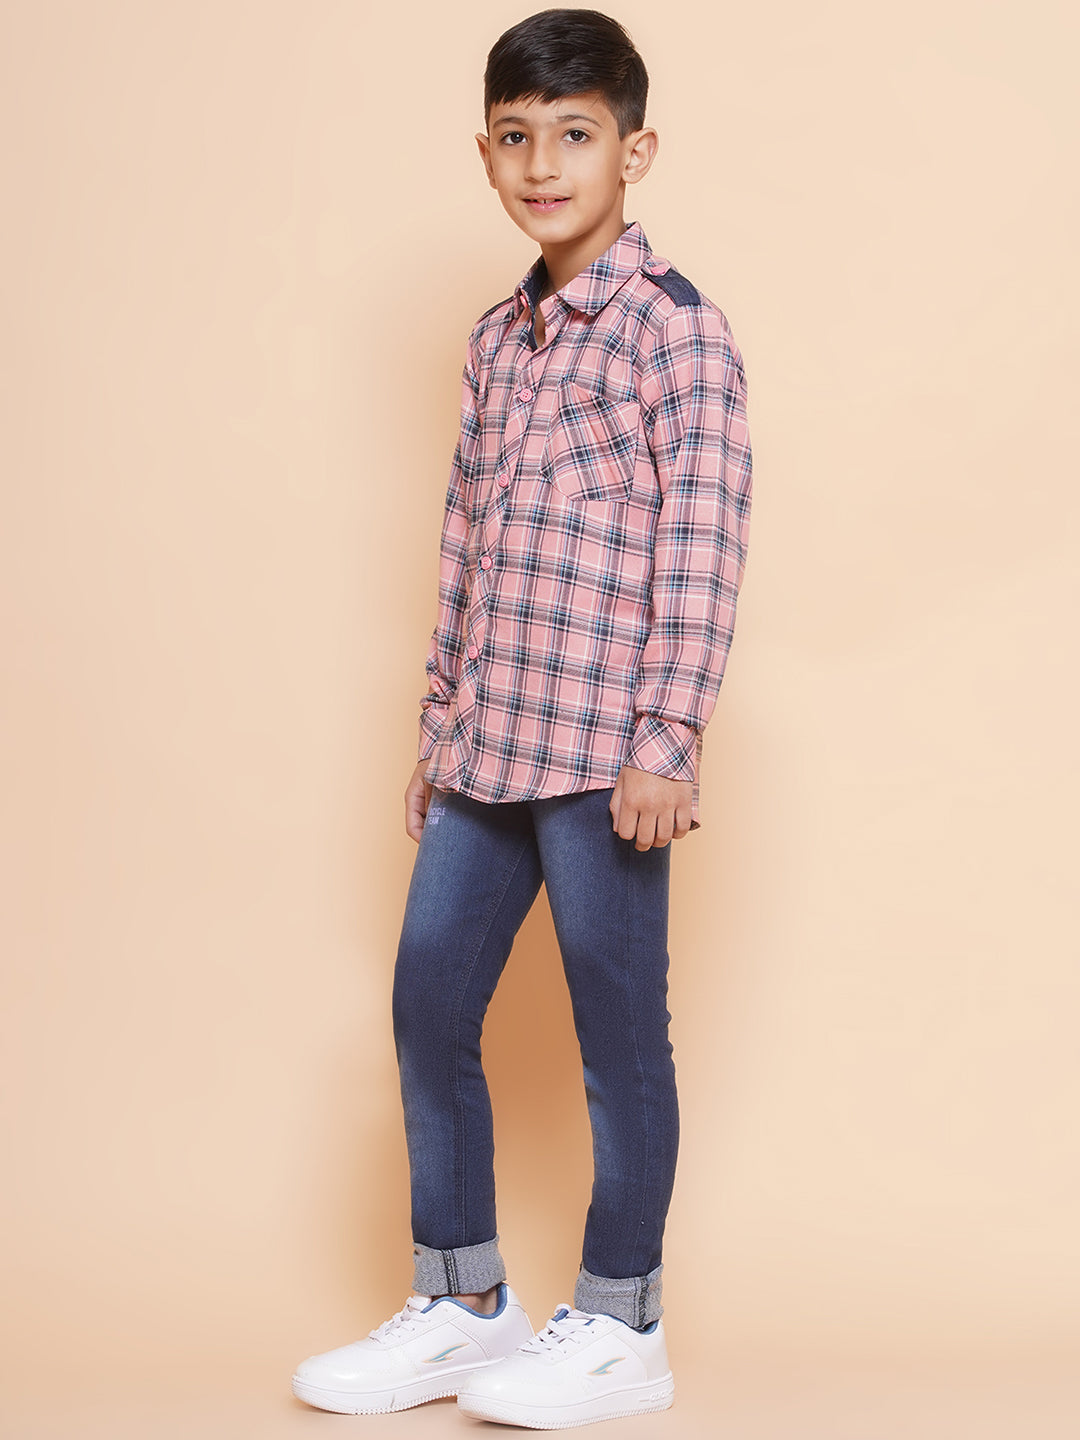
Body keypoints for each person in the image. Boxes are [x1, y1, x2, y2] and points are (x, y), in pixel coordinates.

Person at [292, 7, 753, 1428]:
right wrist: (439, 728)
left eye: (575, 134)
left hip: (606, 758)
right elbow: (467, 539)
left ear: (635, 150)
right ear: (486, 154)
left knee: (618, 1040)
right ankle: (462, 1300)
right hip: (490, 745)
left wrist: (667, 738)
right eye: (516, 138)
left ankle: (622, 1321)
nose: (544, 164)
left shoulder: (678, 333)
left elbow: (703, 544)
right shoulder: (497, 342)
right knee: (427, 1004)